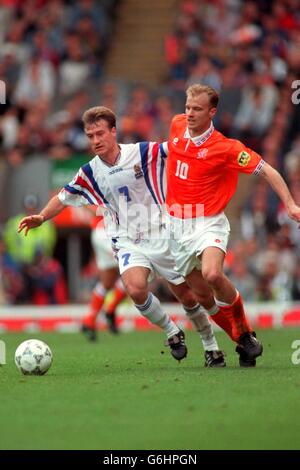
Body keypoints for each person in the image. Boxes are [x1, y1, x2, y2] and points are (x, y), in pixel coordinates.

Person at [18, 106, 225, 367]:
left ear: (113, 132)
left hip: (163, 234)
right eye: (90, 135)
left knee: (189, 297)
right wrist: (42, 216)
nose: (95, 140)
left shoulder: (141, 152)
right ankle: (172, 332)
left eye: (100, 134)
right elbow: (63, 197)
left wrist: (204, 139)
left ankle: (211, 346)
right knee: (136, 289)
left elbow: (176, 149)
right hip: (128, 240)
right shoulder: (89, 172)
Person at [165, 83, 300, 366]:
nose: (189, 113)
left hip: (208, 223)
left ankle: (245, 335)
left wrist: (289, 203)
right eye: (188, 107)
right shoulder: (176, 126)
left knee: (213, 275)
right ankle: (243, 339)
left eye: (197, 109)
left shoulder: (225, 148)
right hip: (176, 226)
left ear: (212, 112)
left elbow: (267, 170)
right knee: (202, 297)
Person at [81, 214, 127, 340]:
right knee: (135, 273)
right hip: (111, 231)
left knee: (108, 282)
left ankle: (89, 321)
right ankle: (110, 310)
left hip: (100, 231)